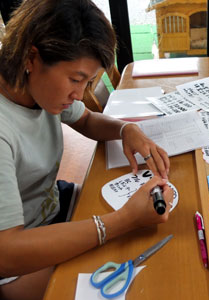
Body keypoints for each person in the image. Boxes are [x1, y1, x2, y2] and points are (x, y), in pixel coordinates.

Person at [0, 1, 173, 299]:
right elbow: (7, 251)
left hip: (53, 209)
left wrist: (125, 129)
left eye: (88, 82)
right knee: (144, 279)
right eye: (76, 79)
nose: (79, 95)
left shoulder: (35, 89)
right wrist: (124, 220)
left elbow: (87, 119)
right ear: (31, 57)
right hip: (16, 259)